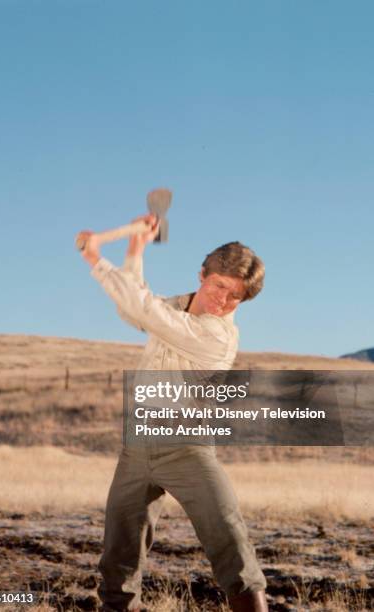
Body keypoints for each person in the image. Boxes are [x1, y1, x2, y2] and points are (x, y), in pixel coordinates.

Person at [76, 214, 268, 612]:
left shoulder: (217, 335)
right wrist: (135, 247)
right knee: (119, 558)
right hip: (137, 450)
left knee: (230, 543)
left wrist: (95, 258)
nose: (223, 301)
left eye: (236, 296)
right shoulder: (173, 310)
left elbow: (143, 308)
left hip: (187, 450)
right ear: (202, 274)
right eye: (219, 286)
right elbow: (134, 306)